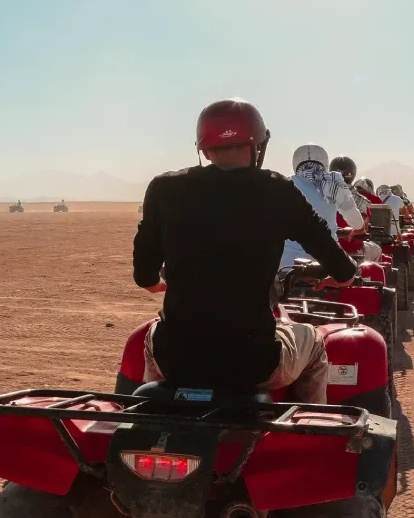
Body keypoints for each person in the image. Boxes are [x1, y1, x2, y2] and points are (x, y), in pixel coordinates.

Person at [133, 98, 358, 404]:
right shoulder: (277, 191)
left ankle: (148, 421)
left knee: (152, 337)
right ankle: (308, 430)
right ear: (257, 145)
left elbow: (145, 275)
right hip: (254, 365)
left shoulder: (163, 188)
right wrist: (339, 278)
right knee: (315, 342)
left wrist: (158, 284)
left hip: (176, 361)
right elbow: (340, 266)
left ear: (204, 149)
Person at [279, 144, 366, 269]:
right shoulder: (333, 184)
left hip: (289, 264)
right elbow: (357, 224)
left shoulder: (285, 184)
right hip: (328, 262)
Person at [329, 156, 383, 262]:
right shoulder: (360, 199)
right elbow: (363, 228)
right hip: (351, 251)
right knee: (377, 250)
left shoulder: (321, 193)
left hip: (323, 250)